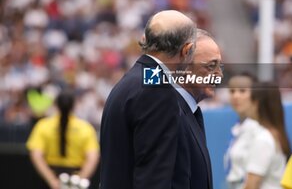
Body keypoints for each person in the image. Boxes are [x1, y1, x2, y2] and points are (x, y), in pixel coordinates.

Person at [99, 10, 196, 189]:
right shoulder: (157, 91)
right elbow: (153, 174)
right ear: (186, 50)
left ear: (146, 39)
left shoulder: (133, 80)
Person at [174, 29, 223, 189]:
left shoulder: (189, 111)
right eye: (211, 66)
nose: (219, 74)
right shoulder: (170, 114)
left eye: (219, 66)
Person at [26, 89, 100, 189]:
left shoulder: (43, 126)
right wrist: (79, 180)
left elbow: (36, 155)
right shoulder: (85, 128)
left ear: (55, 105)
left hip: (48, 180)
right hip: (75, 178)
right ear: (74, 105)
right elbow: (92, 157)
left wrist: (52, 180)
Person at [224, 73, 261, 189]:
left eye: (242, 91)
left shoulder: (258, 130)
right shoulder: (238, 129)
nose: (236, 96)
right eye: (232, 91)